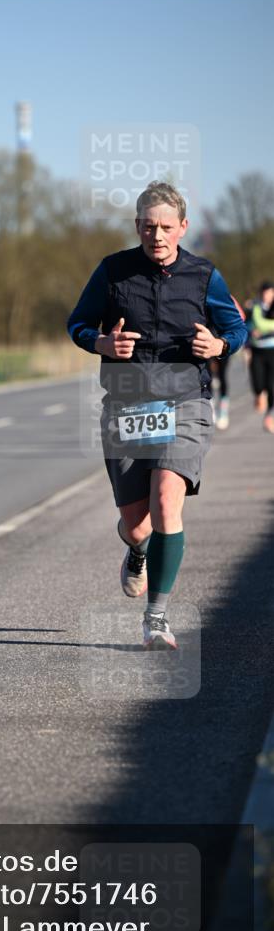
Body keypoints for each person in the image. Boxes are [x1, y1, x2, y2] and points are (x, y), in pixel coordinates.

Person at [67, 181, 246, 650]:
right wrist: (101, 342)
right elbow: (78, 323)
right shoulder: (113, 272)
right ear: (137, 227)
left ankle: (157, 617)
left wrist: (220, 345)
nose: (158, 235)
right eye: (148, 226)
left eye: (166, 227)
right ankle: (138, 550)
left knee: (168, 499)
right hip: (125, 405)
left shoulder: (205, 276)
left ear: (183, 227)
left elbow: (235, 327)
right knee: (138, 523)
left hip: (185, 401)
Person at [212, 295, 245, 430]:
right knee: (206, 377)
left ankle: (223, 412)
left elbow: (241, 317)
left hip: (223, 342)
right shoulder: (199, 291)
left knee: (222, 376)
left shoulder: (226, 296)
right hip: (207, 340)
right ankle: (210, 410)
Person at [247, 281, 274, 433]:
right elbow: (249, 324)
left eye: (270, 292)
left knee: (272, 386)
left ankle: (270, 416)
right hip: (257, 350)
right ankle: (259, 394)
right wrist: (253, 330)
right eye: (264, 293)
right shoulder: (254, 307)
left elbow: (263, 326)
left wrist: (264, 329)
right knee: (257, 382)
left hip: (273, 350)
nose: (267, 296)